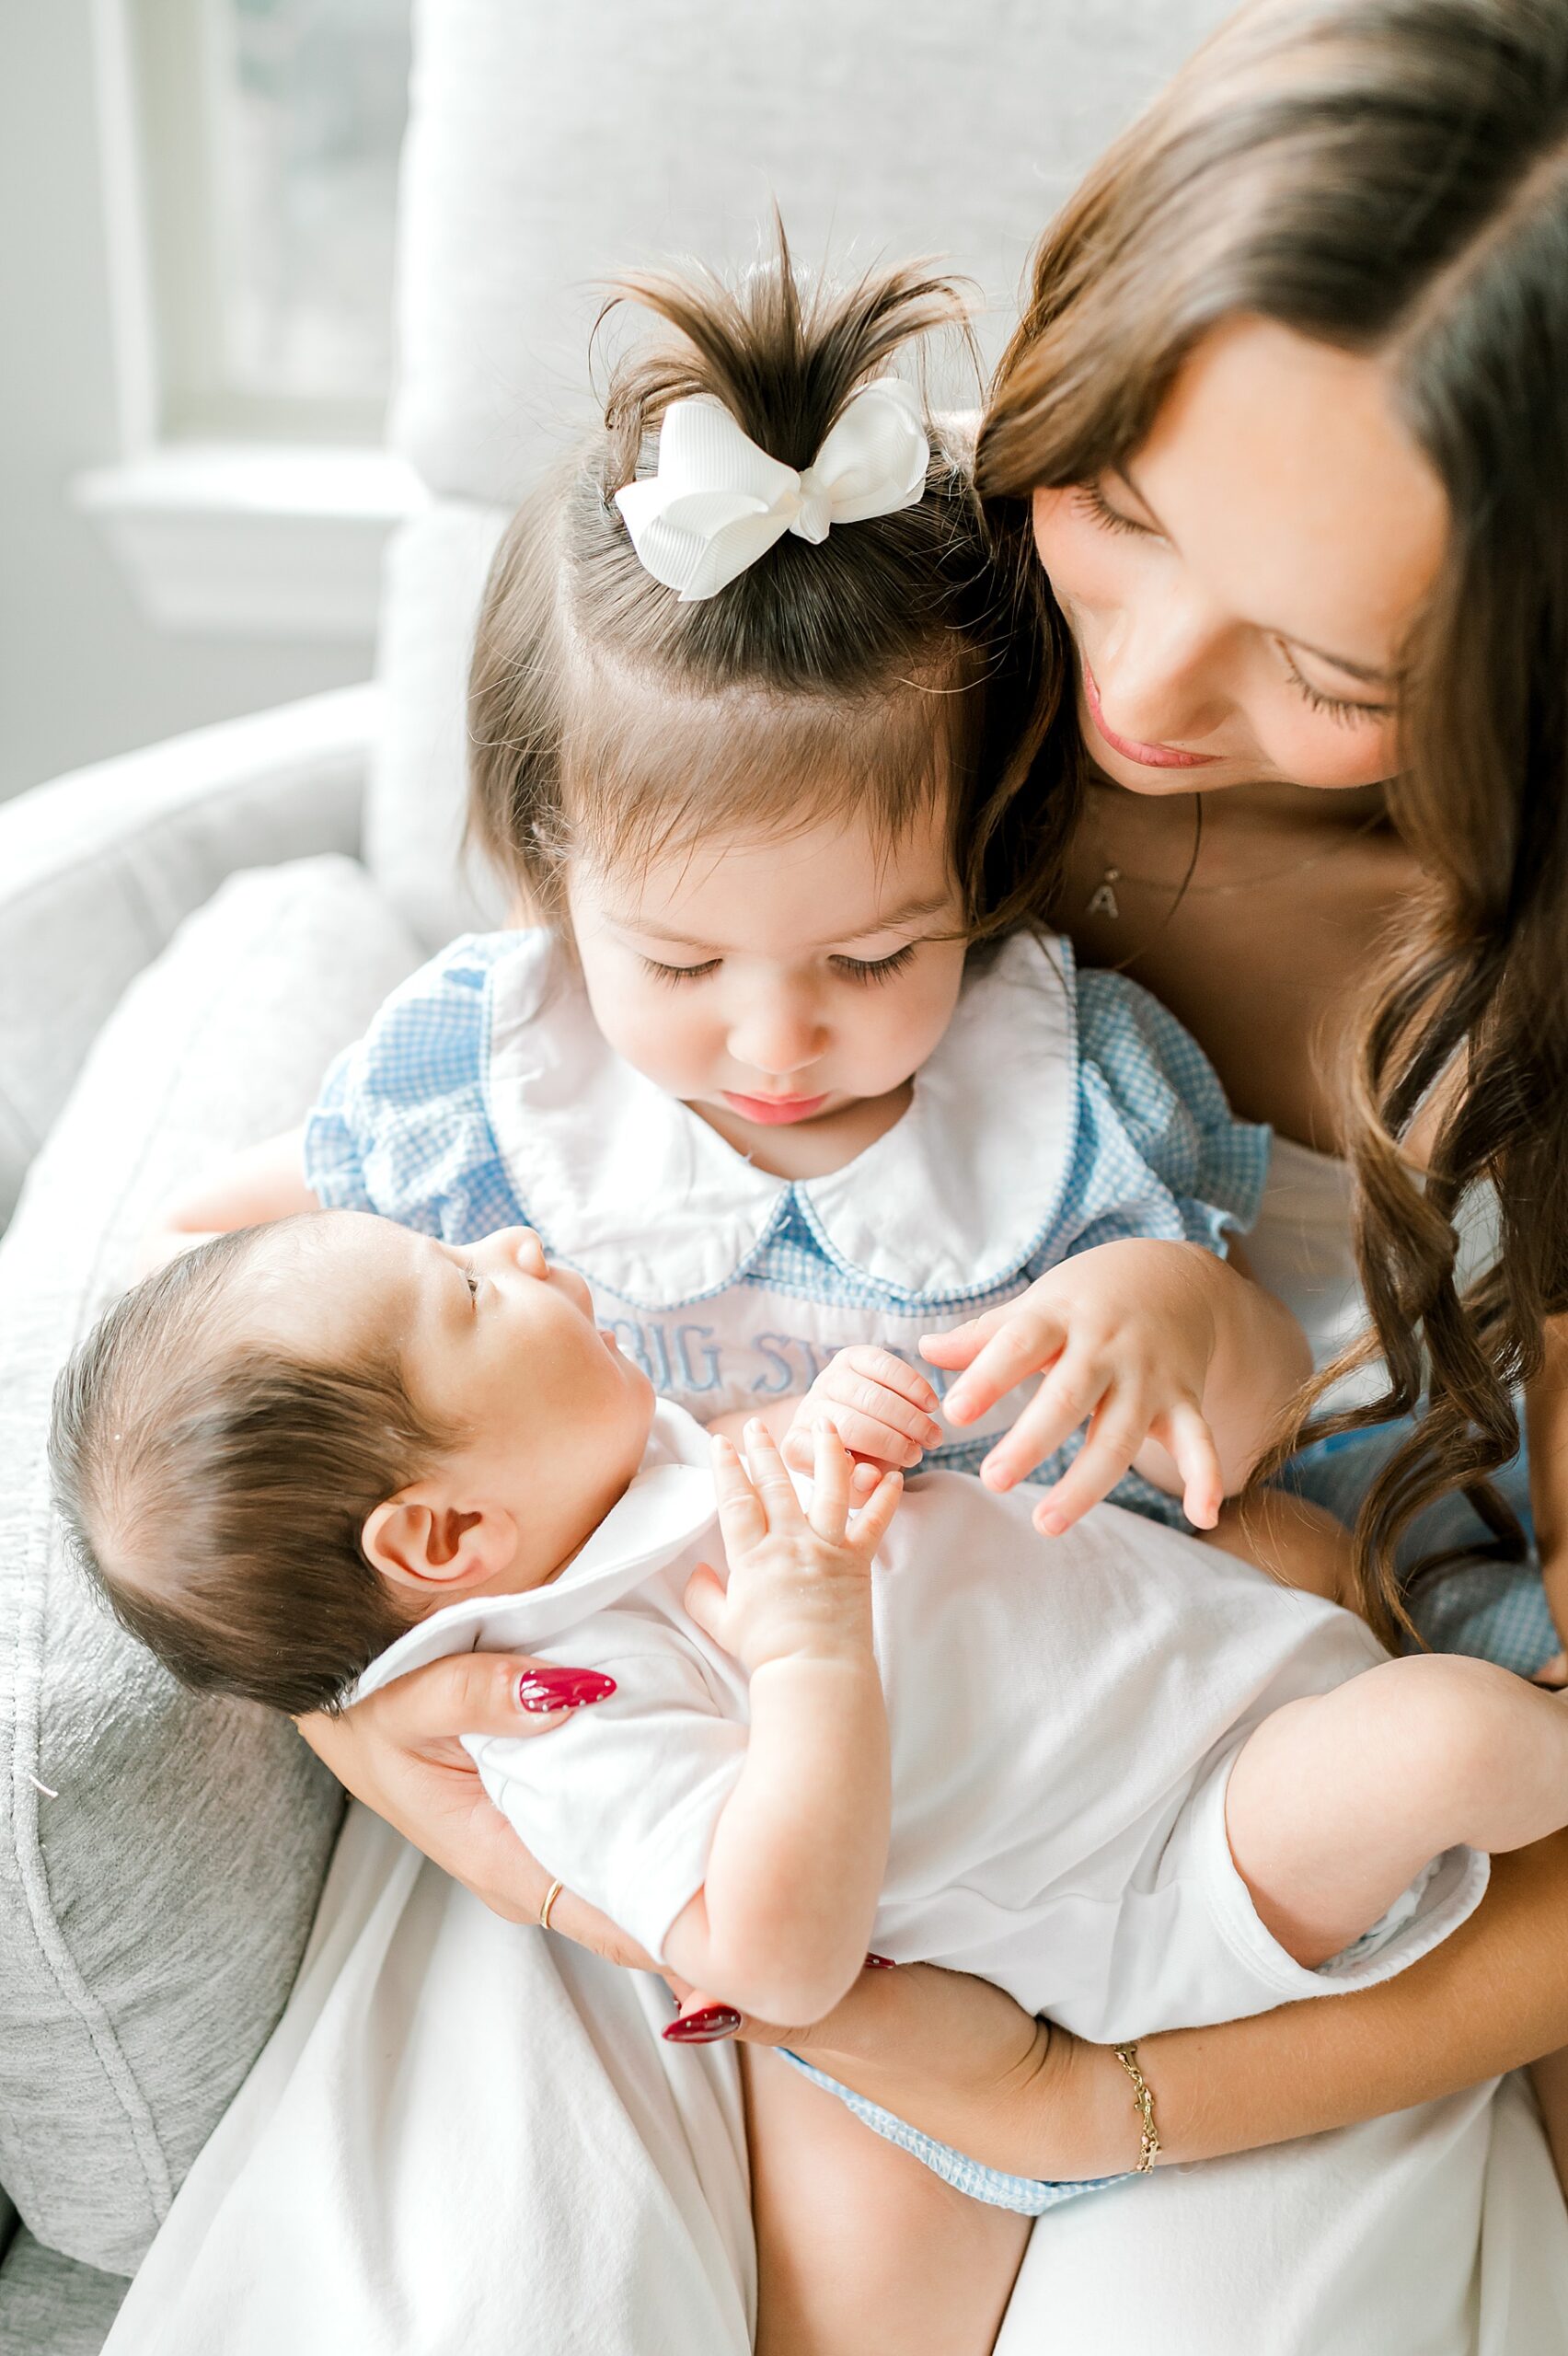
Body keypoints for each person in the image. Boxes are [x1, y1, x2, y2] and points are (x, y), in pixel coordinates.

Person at [136, 4, 1568, 2349]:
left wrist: (1077, 2096)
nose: (1140, 691)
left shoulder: (1476, 996)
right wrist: (433, 1725)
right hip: (709, 1777)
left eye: (1327, 661)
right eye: (1115, 500)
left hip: (1216, 1826)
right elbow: (345, 1409)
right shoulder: (864, 660)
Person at [52, 1211, 1568, 2343]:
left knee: (1435, 1727)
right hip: (1171, 1875)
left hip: (1207, 1681)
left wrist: (844, 1419)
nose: (513, 1245)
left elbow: (804, 1485)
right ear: (441, 1543)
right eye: (467, 1292)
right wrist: (812, 1660)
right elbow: (770, 1957)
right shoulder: (570, 1730)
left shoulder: (625, 1482)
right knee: (1463, 1744)